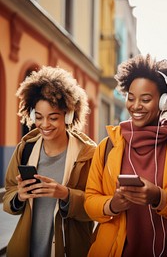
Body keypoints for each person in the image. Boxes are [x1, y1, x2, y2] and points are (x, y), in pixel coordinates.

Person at [84, 54, 167, 257]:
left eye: (145, 99)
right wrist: (111, 205)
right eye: (131, 97)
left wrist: (159, 197)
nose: (135, 106)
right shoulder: (107, 146)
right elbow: (90, 200)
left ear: (164, 102)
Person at [3, 66, 97, 257]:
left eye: (53, 118)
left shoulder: (88, 154)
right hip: (27, 249)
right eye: (38, 117)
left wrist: (65, 194)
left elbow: (96, 208)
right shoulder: (25, 148)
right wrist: (19, 196)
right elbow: (9, 194)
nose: (44, 125)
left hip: (71, 249)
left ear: (68, 115)